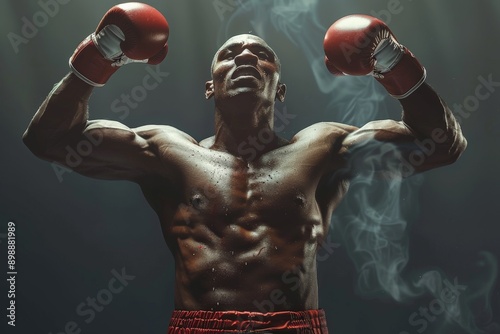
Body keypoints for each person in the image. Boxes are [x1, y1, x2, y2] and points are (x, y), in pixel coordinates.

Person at [23, 3, 467, 333]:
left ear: (281, 90)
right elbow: (49, 140)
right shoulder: (166, 152)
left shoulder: (325, 148)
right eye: (230, 53)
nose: (246, 57)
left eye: (261, 54)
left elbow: (443, 145)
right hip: (200, 324)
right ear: (209, 87)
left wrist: (393, 62)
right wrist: (99, 55)